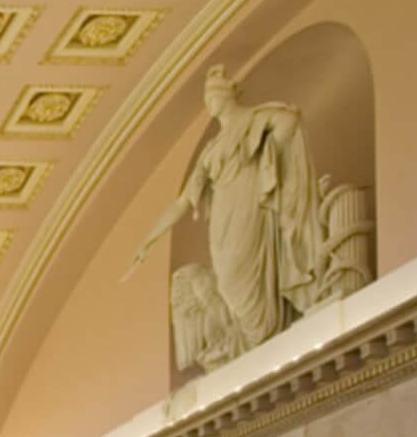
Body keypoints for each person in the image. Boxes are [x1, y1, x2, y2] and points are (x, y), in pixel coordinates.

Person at [129, 65, 344, 372]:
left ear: (229, 95)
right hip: (223, 220)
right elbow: (184, 201)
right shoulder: (211, 150)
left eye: (213, 95)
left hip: (251, 206)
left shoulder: (254, 120)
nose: (209, 103)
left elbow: (289, 121)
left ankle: (263, 336)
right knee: (228, 279)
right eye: (206, 98)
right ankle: (251, 342)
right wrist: (148, 240)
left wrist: (270, 158)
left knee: (249, 270)